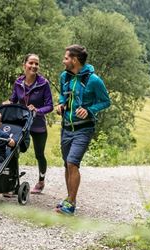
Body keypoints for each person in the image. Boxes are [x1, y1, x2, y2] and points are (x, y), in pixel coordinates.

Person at [55, 44, 110, 215]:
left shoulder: (94, 80)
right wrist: (61, 104)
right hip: (66, 127)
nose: (63, 61)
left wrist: (90, 110)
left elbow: (105, 101)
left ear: (75, 60)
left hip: (83, 129)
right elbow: (63, 95)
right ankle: (70, 199)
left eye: (66, 58)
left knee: (73, 162)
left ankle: (70, 204)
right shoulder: (65, 76)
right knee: (67, 165)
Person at [5, 53, 53, 193]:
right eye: (31, 63)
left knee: (39, 154)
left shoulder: (44, 84)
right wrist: (8, 102)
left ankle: (41, 181)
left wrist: (37, 110)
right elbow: (14, 99)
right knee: (13, 150)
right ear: (24, 65)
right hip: (22, 123)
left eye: (36, 63)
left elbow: (49, 105)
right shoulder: (18, 83)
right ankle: (12, 183)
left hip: (38, 124)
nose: (34, 66)